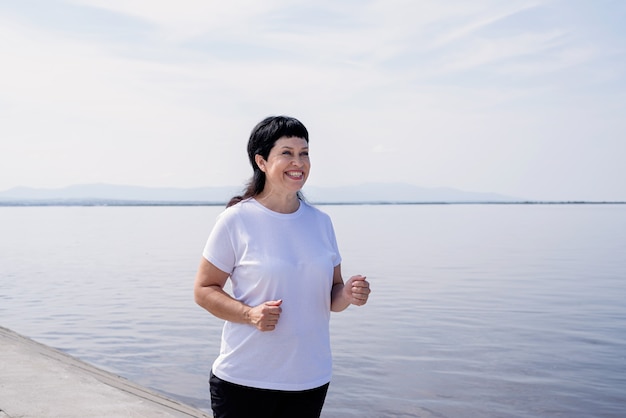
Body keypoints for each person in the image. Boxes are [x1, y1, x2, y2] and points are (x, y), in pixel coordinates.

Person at [194, 115, 371, 418]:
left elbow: (331, 295)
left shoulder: (320, 222)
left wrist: (350, 295)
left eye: (304, 153)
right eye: (286, 153)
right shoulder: (236, 220)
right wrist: (249, 314)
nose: (298, 162)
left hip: (309, 379)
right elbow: (204, 290)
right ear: (261, 161)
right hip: (245, 380)